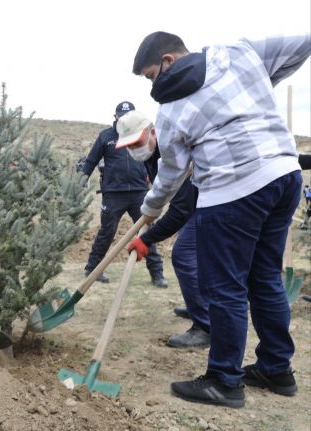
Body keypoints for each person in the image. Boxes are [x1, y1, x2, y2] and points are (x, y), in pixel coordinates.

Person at [132, 31, 309, 408]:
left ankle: (224, 381)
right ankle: (277, 369)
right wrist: (263, 82)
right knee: (264, 278)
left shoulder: (171, 110)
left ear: (168, 60)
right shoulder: (238, 54)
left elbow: (172, 172)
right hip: (283, 175)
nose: (153, 86)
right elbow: (299, 47)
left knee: (225, 288)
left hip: (231, 192)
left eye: (151, 76)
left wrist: (150, 208)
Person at [116, 111, 209, 348]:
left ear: (152, 132)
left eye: (137, 142)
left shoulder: (169, 150)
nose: (134, 149)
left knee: (184, 255)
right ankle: (201, 305)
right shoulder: (149, 157)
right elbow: (165, 191)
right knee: (198, 257)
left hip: (212, 200)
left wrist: (147, 239)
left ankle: (205, 326)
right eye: (129, 145)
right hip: (197, 203)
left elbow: (180, 210)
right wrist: (152, 210)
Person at [78, 101, 167, 286]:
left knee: (146, 231)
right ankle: (93, 270)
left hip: (139, 192)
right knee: (107, 232)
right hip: (113, 193)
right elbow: (91, 161)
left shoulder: (142, 135)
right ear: (115, 117)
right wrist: (80, 181)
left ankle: (157, 275)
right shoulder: (106, 137)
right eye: (121, 116)